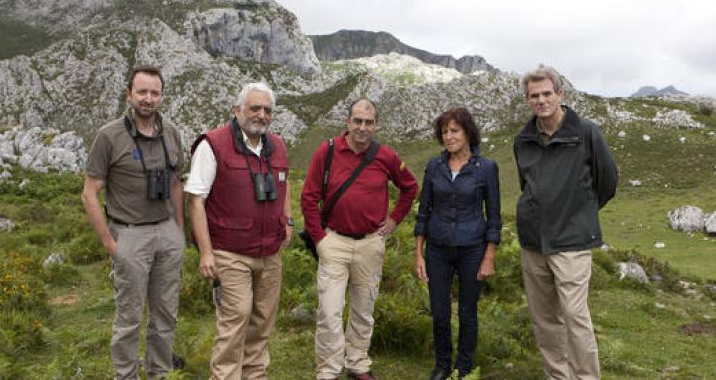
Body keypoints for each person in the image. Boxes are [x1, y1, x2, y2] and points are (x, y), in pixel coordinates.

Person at [300, 98, 419, 380]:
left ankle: (357, 364)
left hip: (369, 243)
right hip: (334, 242)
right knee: (329, 311)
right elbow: (308, 197)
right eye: (357, 121)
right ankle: (328, 370)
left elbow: (410, 187)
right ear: (348, 122)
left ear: (375, 125)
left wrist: (394, 220)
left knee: (364, 308)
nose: (362, 127)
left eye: (368, 122)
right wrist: (319, 239)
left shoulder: (386, 156)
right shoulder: (327, 151)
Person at [513, 66, 618, 380]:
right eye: (535, 96)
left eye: (547, 93)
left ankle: (586, 377)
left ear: (560, 93)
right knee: (544, 318)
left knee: (574, 315)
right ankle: (557, 375)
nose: (541, 100)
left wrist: (580, 212)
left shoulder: (585, 132)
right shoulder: (523, 139)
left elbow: (608, 182)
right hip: (533, 242)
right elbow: (526, 184)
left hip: (572, 241)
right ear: (528, 100)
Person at [81, 65, 186, 380]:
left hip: (167, 232)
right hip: (128, 234)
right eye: (142, 92)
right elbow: (89, 194)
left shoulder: (171, 132)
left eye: (155, 93)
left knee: (166, 314)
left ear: (161, 96)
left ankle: (159, 373)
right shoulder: (109, 136)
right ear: (129, 94)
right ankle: (126, 375)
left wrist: (180, 231)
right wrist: (109, 242)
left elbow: (176, 184)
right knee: (129, 316)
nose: (148, 99)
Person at [185, 82, 292, 380]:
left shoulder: (277, 146)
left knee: (262, 323)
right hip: (229, 251)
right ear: (237, 110)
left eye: (267, 110)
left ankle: (255, 376)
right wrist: (206, 252)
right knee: (236, 319)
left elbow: (285, 184)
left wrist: (289, 220)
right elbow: (196, 200)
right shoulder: (212, 144)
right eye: (254, 108)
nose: (261, 115)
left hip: (270, 252)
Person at [414, 107, 501, 380]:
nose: (449, 137)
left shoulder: (486, 168)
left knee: (467, 312)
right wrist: (419, 253)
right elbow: (424, 211)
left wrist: (489, 255)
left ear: (467, 133)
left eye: (454, 131)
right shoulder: (434, 166)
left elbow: (494, 216)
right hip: (437, 250)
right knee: (439, 313)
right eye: (444, 132)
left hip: (472, 249)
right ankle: (442, 365)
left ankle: (463, 368)